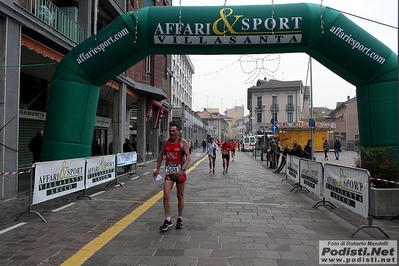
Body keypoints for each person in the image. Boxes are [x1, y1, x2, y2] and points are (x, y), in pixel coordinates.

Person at [153, 121, 191, 232]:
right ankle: (168, 219)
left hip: (180, 174)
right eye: (170, 131)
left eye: (174, 131)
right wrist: (157, 169)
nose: (172, 133)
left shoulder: (182, 142)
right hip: (169, 173)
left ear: (179, 132)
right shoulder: (166, 142)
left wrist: (182, 169)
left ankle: (180, 218)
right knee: (166, 196)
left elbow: (188, 157)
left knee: (180, 196)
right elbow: (160, 155)